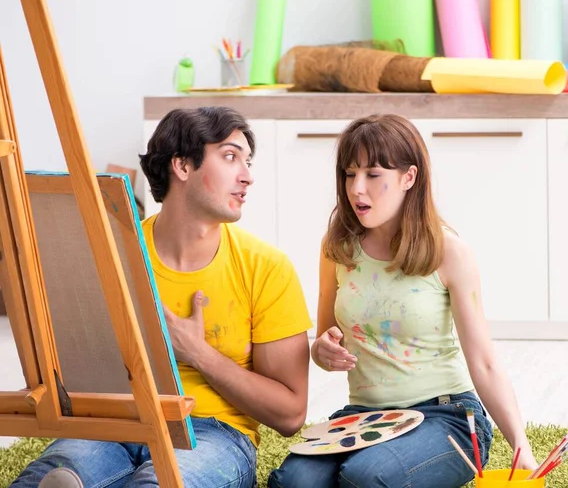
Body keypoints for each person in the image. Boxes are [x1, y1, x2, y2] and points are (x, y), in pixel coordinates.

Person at [11, 106, 313, 487]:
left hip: (214, 432)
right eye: (231, 156)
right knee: (46, 479)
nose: (247, 177)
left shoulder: (267, 267)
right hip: (116, 422)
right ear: (182, 166)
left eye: (247, 161)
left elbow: (289, 415)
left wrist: (198, 353)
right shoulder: (113, 256)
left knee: (158, 485)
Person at [268, 114, 537, 488]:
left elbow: (485, 361)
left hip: (446, 415)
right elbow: (325, 342)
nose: (357, 188)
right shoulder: (338, 248)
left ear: (408, 178)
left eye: (373, 175)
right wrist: (323, 350)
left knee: (365, 476)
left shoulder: (449, 252)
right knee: (293, 482)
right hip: (365, 416)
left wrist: (520, 443)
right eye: (350, 173)